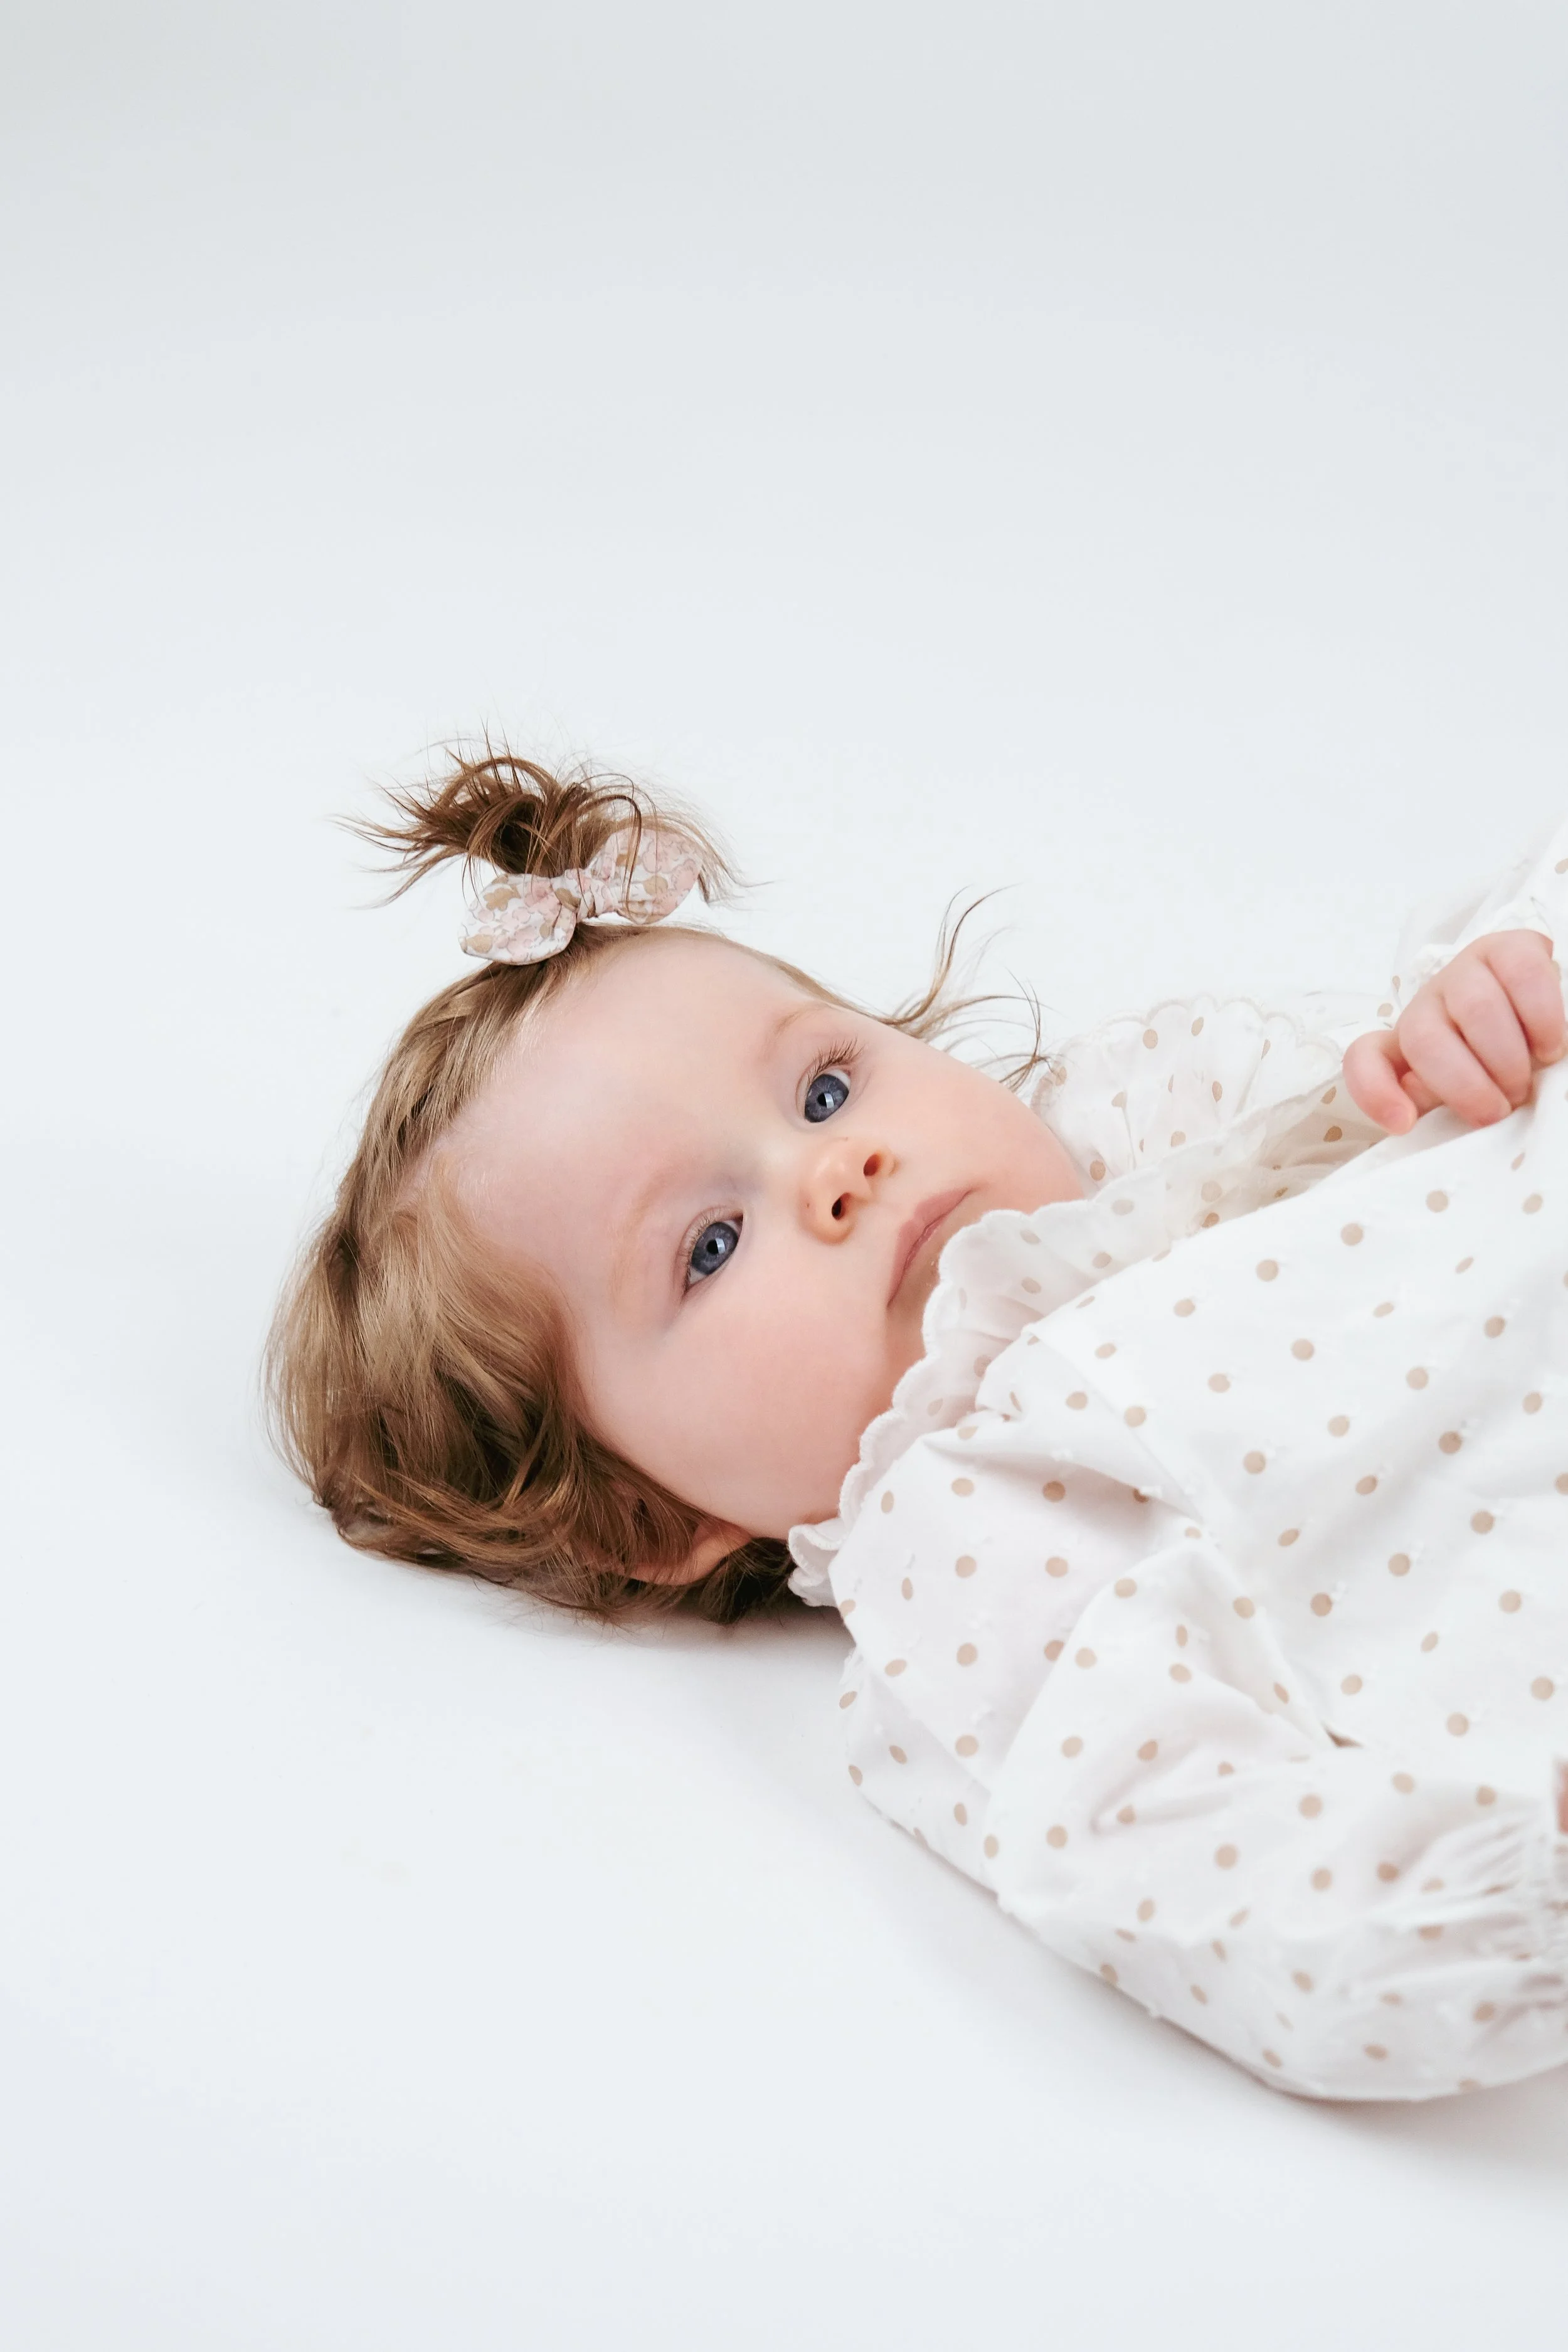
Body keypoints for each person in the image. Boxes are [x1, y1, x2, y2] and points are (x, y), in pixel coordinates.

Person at [268, 748, 1568, 2102]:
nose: (837, 1169)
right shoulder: (962, 1550)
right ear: (659, 1519)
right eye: (709, 1244)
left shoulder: (1155, 1095)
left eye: (824, 1088)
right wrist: (1508, 1885)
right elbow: (1182, 1852)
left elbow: (1428, 1057)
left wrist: (1482, 993)